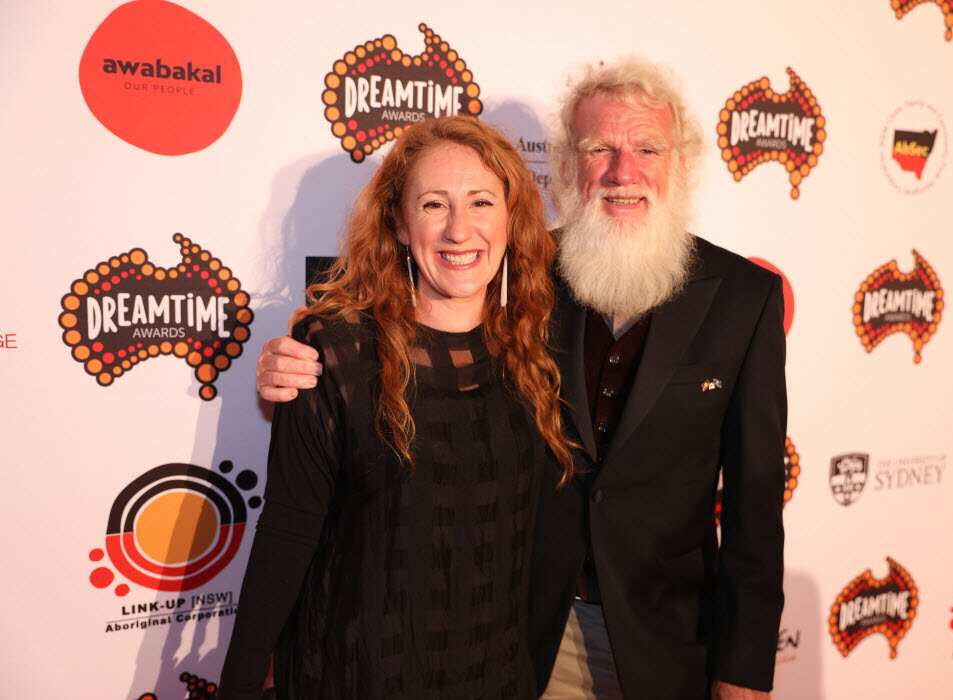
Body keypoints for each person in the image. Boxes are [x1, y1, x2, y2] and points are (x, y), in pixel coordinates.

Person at [256, 58, 786, 700]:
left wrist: (743, 671)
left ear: (680, 163)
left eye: (648, 148)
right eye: (600, 149)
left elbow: (757, 505)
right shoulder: (523, 270)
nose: (625, 172)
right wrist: (300, 352)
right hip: (520, 633)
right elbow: (407, 305)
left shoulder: (741, 298)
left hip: (667, 638)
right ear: (567, 165)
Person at [219, 115, 577, 699]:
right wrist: (238, 683)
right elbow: (287, 530)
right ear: (400, 225)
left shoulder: (536, 348)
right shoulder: (333, 355)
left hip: (495, 679)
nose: (460, 230)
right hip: (357, 676)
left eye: (482, 201)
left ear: (512, 220)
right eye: (434, 205)